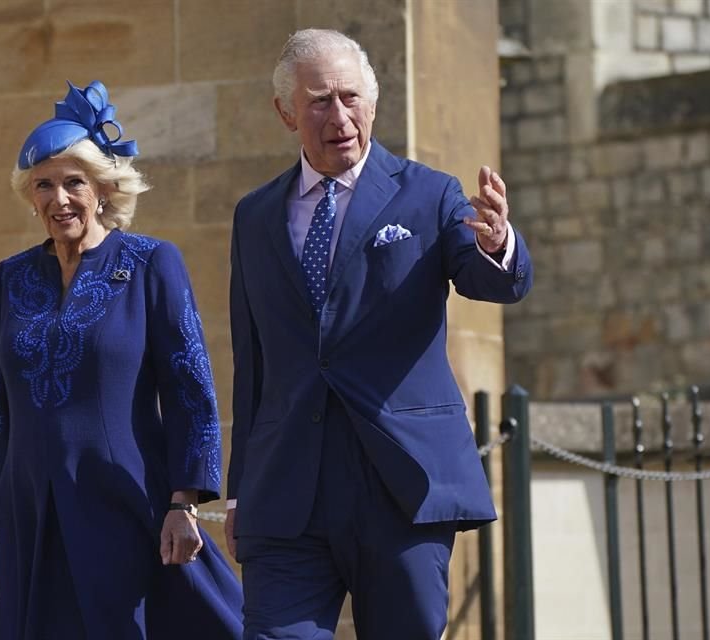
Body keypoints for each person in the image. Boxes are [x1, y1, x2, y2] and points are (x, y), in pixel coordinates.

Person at [225, 29, 533, 639]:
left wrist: (498, 244)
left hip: (400, 483)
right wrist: (240, 491)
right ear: (286, 112)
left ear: (372, 101)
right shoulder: (255, 215)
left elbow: (488, 280)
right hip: (289, 492)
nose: (338, 116)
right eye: (319, 101)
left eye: (350, 97)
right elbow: (252, 358)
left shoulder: (430, 194)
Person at [0, 80, 243, 639]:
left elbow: (190, 388)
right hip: (29, 510)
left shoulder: (150, 262)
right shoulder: (8, 279)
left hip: (125, 500)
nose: (59, 199)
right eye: (44, 185)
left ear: (102, 189)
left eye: (73, 183)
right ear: (29, 196)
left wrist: (185, 501)